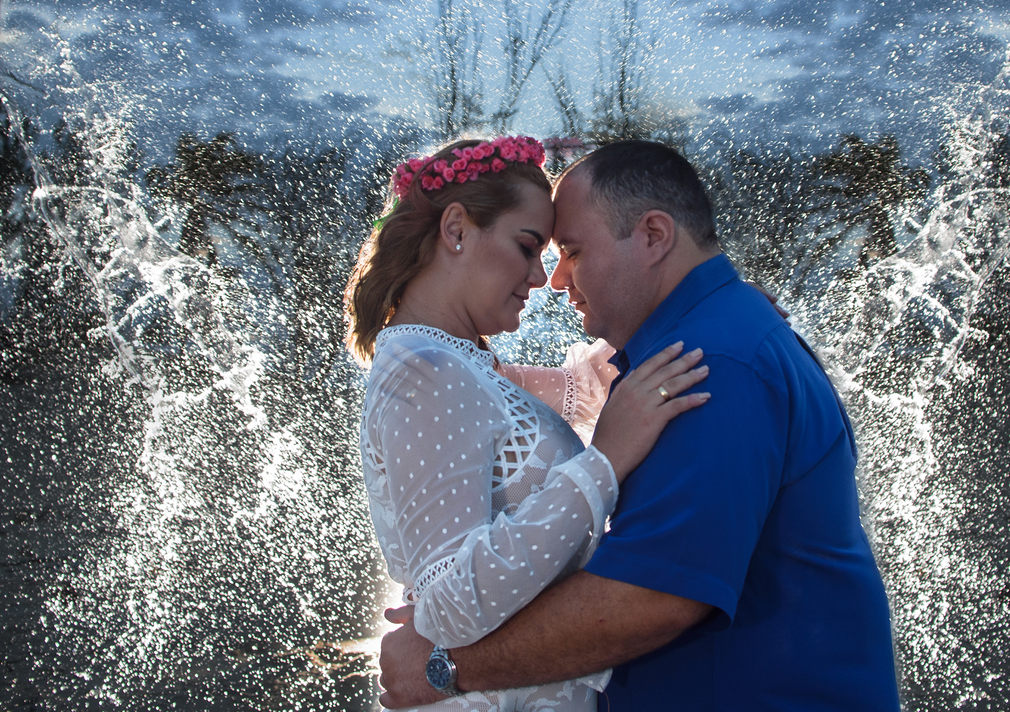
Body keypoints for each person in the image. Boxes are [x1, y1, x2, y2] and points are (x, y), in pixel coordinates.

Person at [378, 140, 901, 711]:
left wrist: (449, 667)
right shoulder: (702, 349)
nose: (554, 278)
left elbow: (654, 596)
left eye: (571, 250)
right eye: (538, 249)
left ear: (653, 235)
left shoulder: (715, 364)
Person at [344, 135, 711, 711]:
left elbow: (586, 387)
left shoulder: (457, 363)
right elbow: (446, 607)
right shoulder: (427, 372)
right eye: (527, 246)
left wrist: (700, 305)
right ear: (456, 230)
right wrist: (605, 461)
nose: (542, 278)